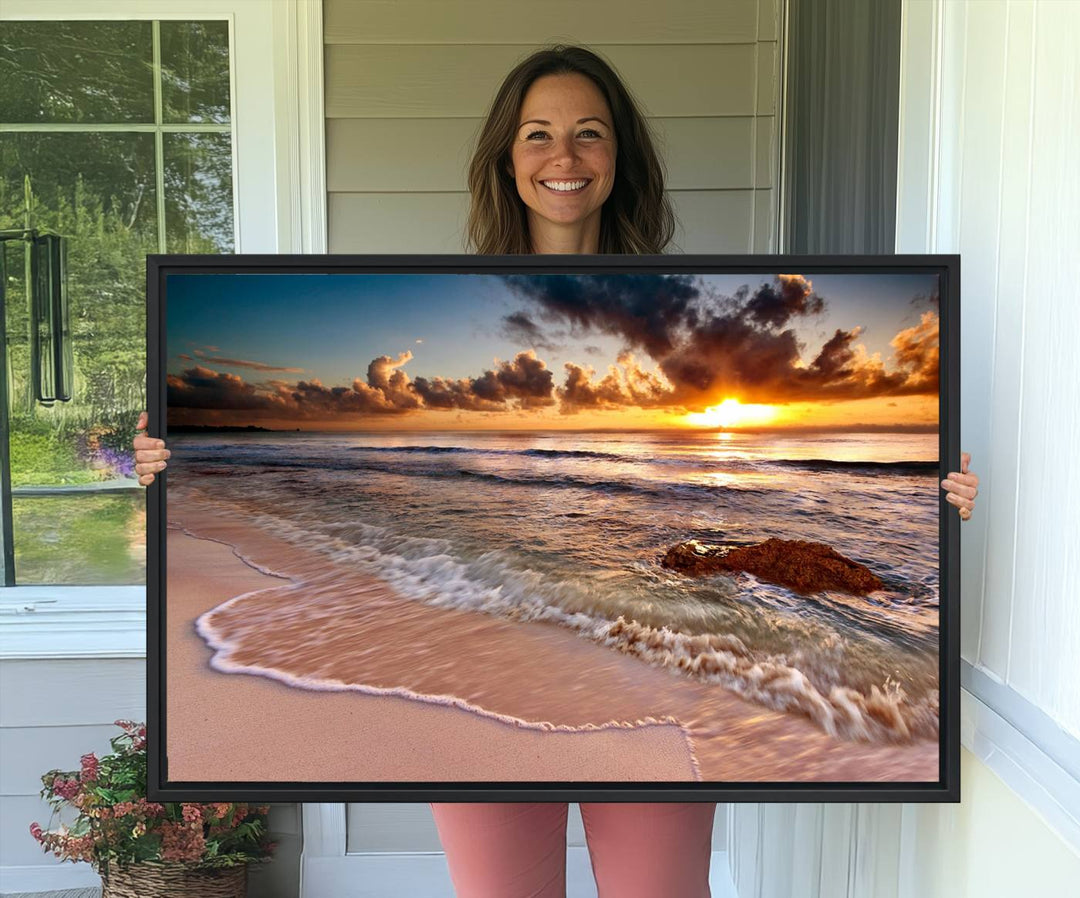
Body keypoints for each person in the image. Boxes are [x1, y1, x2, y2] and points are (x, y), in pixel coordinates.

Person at [133, 44, 980, 898]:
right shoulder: (443, 289)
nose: (563, 157)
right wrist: (165, 462)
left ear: (619, 159)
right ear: (507, 158)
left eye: (589, 134)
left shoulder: (695, 289)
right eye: (538, 134)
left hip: (652, 665)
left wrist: (944, 499)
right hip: (472, 645)